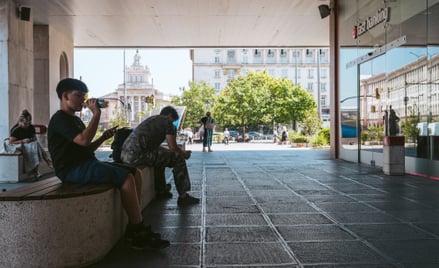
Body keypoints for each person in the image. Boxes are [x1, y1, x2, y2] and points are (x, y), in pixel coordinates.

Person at [47, 78, 169, 251]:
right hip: (71, 170)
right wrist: (96, 114)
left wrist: (104, 138)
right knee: (126, 178)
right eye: (79, 95)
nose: (83, 99)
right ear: (65, 96)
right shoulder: (60, 119)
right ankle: (136, 230)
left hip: (85, 163)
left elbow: (87, 147)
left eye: (84, 95)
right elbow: (83, 140)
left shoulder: (74, 120)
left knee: (135, 173)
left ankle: (135, 222)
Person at [121, 106, 200, 206]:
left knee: (161, 158)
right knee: (178, 158)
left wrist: (169, 152)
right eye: (173, 120)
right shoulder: (167, 123)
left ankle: (161, 190)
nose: (173, 123)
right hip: (138, 156)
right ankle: (183, 196)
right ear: (170, 115)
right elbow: (173, 147)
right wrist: (184, 154)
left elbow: (157, 148)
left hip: (126, 155)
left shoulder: (152, 120)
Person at [5, 109, 53, 178]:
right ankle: (46, 161)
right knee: (35, 146)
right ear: (20, 122)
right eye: (25, 123)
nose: (27, 125)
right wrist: (23, 140)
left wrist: (30, 140)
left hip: (29, 144)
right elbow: (11, 142)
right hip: (18, 144)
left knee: (35, 145)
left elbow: (34, 138)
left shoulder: (31, 127)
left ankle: (37, 171)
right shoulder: (16, 129)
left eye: (28, 123)